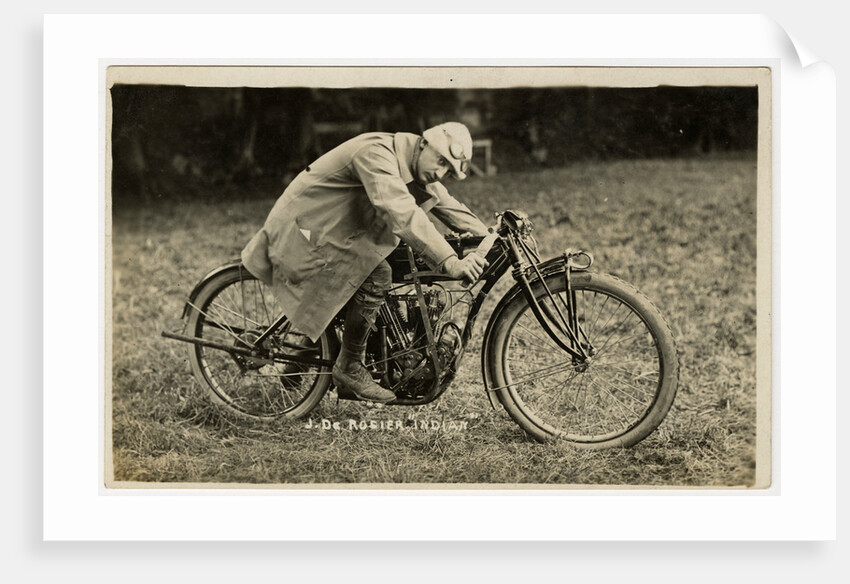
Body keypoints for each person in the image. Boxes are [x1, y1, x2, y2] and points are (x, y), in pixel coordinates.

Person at [241, 122, 490, 403]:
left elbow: (447, 204)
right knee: (376, 275)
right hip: (303, 230)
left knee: (387, 263)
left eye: (448, 170)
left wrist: (491, 237)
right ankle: (349, 368)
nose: (440, 172)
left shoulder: (416, 166)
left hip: (333, 232)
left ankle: (303, 358)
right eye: (441, 161)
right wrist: (449, 261)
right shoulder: (377, 154)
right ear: (423, 144)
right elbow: (401, 212)